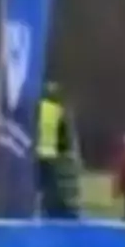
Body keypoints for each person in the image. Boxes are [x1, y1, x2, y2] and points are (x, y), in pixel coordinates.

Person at [35, 80, 80, 219]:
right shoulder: (59, 111)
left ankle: (36, 210)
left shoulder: (37, 109)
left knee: (38, 186)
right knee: (51, 188)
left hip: (37, 153)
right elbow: (65, 134)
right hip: (52, 155)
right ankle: (47, 211)